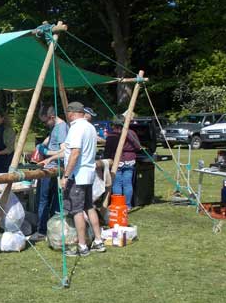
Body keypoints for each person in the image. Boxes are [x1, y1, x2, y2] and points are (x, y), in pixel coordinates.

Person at [61, 102, 105, 257]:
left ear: (71, 113)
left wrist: (66, 175)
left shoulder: (76, 128)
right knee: (89, 206)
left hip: (77, 176)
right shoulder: (90, 127)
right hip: (89, 173)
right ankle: (98, 241)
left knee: (77, 210)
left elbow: (75, 153)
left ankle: (82, 246)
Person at [31, 107, 69, 242]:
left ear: (52, 117)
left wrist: (46, 153)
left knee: (44, 200)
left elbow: (64, 151)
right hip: (51, 167)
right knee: (51, 200)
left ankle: (41, 231)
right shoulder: (56, 127)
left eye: (45, 121)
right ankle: (51, 228)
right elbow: (50, 138)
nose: (45, 124)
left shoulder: (61, 128)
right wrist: (41, 146)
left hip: (53, 169)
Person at [103, 117, 142, 209]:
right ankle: (127, 205)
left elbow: (108, 150)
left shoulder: (112, 135)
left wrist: (106, 158)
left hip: (117, 160)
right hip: (129, 160)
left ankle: (118, 204)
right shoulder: (131, 133)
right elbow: (138, 146)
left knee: (117, 183)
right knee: (127, 183)